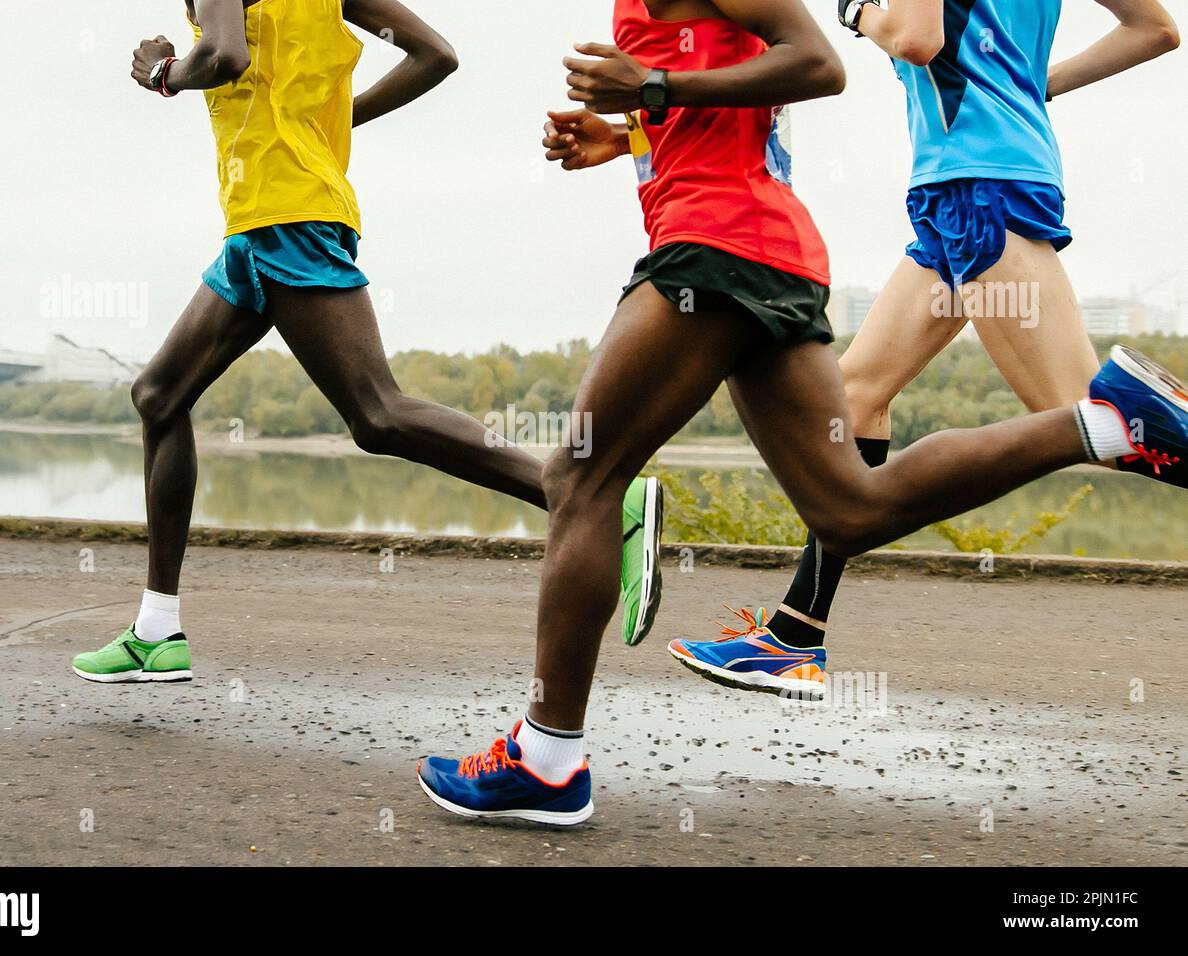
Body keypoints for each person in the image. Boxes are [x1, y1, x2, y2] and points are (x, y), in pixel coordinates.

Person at [415, 0, 1187, 825]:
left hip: (787, 231)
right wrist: (638, 128)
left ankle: (547, 759)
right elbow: (737, 104)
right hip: (827, 231)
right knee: (850, 492)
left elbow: (856, 52)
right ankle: (802, 630)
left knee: (581, 478)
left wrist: (677, 76)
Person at [69, 0, 663, 685]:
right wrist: (329, 121)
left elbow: (223, 56)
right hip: (267, 221)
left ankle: (592, 500)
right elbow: (434, 55)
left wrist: (163, 73)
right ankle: (157, 631)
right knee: (159, 395)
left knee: (378, 413)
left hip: (282, 218)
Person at [669, 0, 1180, 695]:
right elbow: (1155, 29)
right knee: (855, 397)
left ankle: (1142, 417)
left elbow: (914, 37)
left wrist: (855, 14)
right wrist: (1031, 86)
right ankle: (793, 638)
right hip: (968, 186)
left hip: (979, 184)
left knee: (1090, 420)